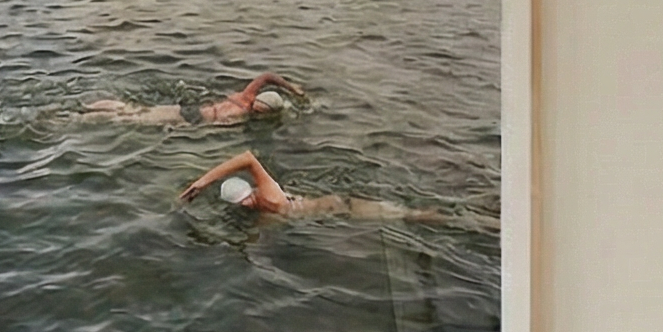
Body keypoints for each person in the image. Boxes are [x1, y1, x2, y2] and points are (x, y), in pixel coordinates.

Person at [177, 149, 456, 224]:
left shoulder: (270, 194)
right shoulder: (263, 212)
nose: (247, 204)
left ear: (250, 192)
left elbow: (247, 158)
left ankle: (480, 221)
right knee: (412, 216)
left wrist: (201, 182)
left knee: (414, 217)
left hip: (344, 208)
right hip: (333, 214)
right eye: (241, 205)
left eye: (246, 198)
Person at [81, 71, 307, 128]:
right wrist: (293, 89)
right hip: (192, 118)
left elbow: (267, 77)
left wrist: (291, 88)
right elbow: (267, 77)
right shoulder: (246, 112)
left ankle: (89, 107)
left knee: (136, 110)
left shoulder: (244, 96)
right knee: (134, 118)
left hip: (192, 109)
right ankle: (75, 117)